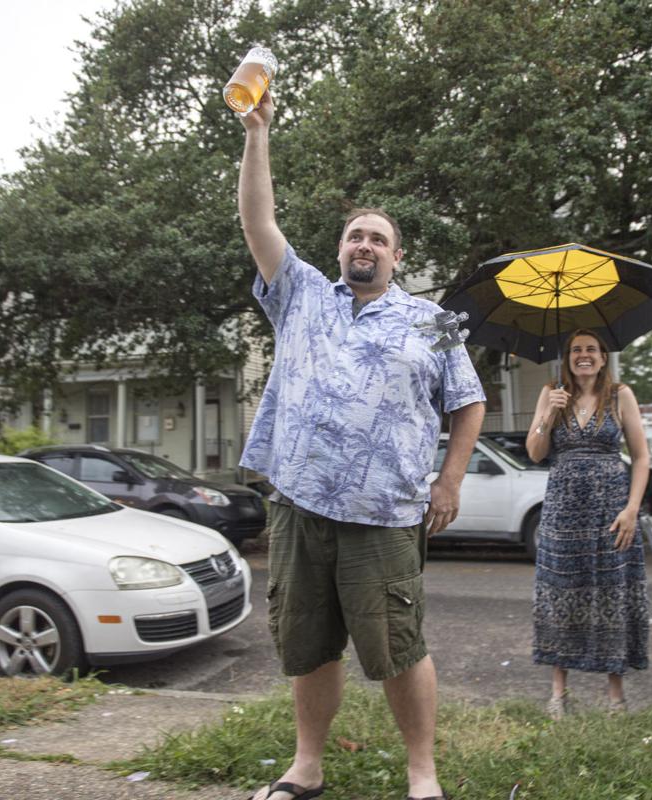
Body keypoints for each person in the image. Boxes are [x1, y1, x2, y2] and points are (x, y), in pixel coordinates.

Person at [236, 89, 486, 800]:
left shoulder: (432, 321)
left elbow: (468, 405)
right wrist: (259, 134)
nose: (365, 245)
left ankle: (422, 775)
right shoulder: (303, 295)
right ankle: (305, 768)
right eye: (355, 236)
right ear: (340, 249)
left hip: (387, 513)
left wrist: (450, 481)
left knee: (399, 649)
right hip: (300, 504)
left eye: (378, 238)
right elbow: (258, 219)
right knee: (307, 646)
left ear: (397, 255)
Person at [524, 328, 650, 717]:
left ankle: (616, 699)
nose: (584, 355)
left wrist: (631, 509)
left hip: (610, 512)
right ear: (567, 357)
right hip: (562, 514)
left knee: (611, 595)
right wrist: (548, 414)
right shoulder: (551, 392)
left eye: (591, 349)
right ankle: (559, 695)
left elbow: (642, 457)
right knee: (562, 595)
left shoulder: (620, 395)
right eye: (576, 349)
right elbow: (534, 453)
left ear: (603, 356)